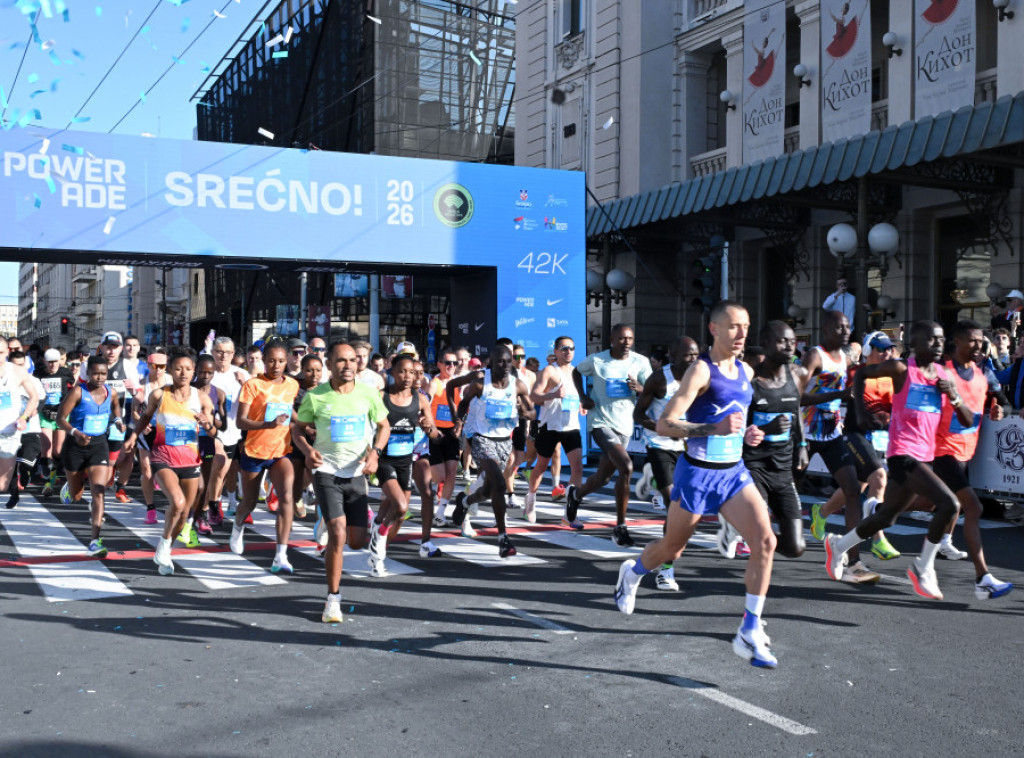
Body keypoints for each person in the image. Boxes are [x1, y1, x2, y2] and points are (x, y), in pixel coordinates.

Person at [613, 300, 778, 668]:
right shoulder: (700, 373)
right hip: (697, 472)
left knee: (766, 540)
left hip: (733, 472)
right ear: (715, 329)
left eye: (746, 326)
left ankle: (749, 629)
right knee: (672, 548)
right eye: (733, 326)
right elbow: (666, 424)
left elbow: (737, 421)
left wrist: (748, 433)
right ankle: (634, 571)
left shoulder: (746, 372)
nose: (742, 334)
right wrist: (712, 429)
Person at [824, 321, 975, 600]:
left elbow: (966, 419)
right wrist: (860, 413)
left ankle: (839, 545)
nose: (939, 344)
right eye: (931, 340)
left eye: (941, 339)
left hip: (925, 456)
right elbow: (860, 375)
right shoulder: (902, 370)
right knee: (950, 503)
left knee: (886, 517)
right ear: (915, 345)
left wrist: (953, 395)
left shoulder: (944, 375)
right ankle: (922, 569)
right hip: (902, 454)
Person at [293, 342, 389, 623]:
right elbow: (298, 431)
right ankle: (333, 601)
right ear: (330, 365)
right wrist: (308, 451)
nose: (348, 366)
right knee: (338, 534)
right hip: (326, 471)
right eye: (341, 361)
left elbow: (384, 426)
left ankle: (328, 521)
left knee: (357, 542)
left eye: (352, 360)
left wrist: (375, 453)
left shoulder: (369, 394)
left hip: (357, 472)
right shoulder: (316, 396)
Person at [929, 320, 1012, 599]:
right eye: (972, 340)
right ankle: (983, 578)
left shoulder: (984, 374)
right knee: (972, 507)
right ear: (956, 342)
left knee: (931, 502)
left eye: (981, 340)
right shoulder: (941, 372)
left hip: (967, 449)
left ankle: (872, 518)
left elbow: (1002, 401)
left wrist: (998, 409)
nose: (978, 345)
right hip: (940, 449)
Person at [800, 311, 879, 583]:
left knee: (853, 491)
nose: (845, 331)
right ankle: (744, 531)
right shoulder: (814, 356)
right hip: (805, 434)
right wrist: (838, 394)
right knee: (782, 490)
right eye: (839, 327)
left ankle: (853, 560)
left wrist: (869, 416)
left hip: (832, 433)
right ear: (825, 328)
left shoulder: (845, 359)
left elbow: (850, 396)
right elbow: (798, 397)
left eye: (848, 326)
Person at [808, 331, 900, 563]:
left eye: (889, 348)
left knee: (858, 486)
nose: (887, 353)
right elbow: (825, 388)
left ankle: (822, 512)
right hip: (852, 434)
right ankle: (878, 538)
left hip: (877, 438)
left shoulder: (892, 376)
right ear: (868, 353)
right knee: (879, 478)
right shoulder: (852, 373)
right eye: (881, 349)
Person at [125, 349, 216, 575]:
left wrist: (206, 424)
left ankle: (164, 546)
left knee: (185, 513)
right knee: (176, 502)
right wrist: (134, 436)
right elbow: (145, 418)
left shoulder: (201, 398)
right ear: (171, 371)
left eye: (188, 369)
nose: (183, 373)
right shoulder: (159, 395)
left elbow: (214, 431)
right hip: (162, 457)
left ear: (193, 371)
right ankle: (165, 546)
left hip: (190, 460)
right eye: (178, 368)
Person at [569, 324, 652, 546]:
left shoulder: (640, 362)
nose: (626, 342)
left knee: (602, 478)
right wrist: (583, 397)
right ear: (612, 339)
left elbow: (653, 388)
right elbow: (576, 371)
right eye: (622, 338)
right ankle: (620, 527)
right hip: (600, 422)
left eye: (630, 338)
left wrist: (641, 389)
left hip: (624, 425)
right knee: (626, 466)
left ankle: (575, 496)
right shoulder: (597, 360)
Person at [450, 344, 534, 557]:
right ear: (491, 363)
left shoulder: (518, 386)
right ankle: (503, 538)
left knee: (489, 490)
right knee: (498, 483)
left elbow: (532, 411)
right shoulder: (480, 384)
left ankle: (465, 501)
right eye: (500, 361)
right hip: (482, 440)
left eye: (508, 361)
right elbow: (463, 403)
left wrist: (526, 411)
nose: (505, 365)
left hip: (505, 441)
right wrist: (459, 420)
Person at [632, 335, 699, 591]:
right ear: (673, 357)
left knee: (687, 509)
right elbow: (638, 414)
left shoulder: (700, 378)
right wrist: (661, 428)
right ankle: (666, 571)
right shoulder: (660, 379)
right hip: (660, 445)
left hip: (688, 448)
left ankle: (652, 477)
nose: (693, 360)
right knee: (675, 504)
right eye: (687, 356)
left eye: (696, 355)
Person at [229, 341, 300, 573]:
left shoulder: (292, 384)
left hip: (281, 451)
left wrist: (305, 425)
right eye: (271, 360)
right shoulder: (253, 384)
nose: (276, 365)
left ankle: (281, 554)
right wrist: (268, 424)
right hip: (254, 451)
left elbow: (290, 411)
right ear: (263, 360)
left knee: (286, 498)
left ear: (287, 361)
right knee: (249, 502)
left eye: (281, 361)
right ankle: (238, 525)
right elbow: (241, 421)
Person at [367, 354, 441, 575]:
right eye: (402, 371)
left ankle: (378, 544)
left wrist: (429, 427)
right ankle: (378, 548)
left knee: (398, 514)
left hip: (406, 461)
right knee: (400, 506)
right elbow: (367, 425)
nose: (407, 376)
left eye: (412, 372)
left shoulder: (421, 399)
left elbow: (435, 434)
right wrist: (369, 453)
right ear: (392, 372)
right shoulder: (382, 396)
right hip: (384, 460)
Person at [743, 322, 811, 561]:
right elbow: (735, 425)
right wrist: (764, 428)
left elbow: (796, 412)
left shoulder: (798, 374)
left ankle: (745, 535)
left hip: (782, 470)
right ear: (765, 344)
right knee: (763, 536)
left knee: (795, 548)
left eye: (792, 341)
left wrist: (802, 445)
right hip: (753, 467)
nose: (790, 345)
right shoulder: (749, 379)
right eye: (782, 341)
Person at [57, 355, 119, 556]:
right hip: (75, 445)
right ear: (88, 374)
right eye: (95, 373)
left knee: (99, 492)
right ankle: (71, 485)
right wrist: (76, 432)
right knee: (76, 496)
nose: (99, 377)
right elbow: (60, 419)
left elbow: (116, 407)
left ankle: (95, 541)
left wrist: (118, 420)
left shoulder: (111, 392)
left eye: (103, 373)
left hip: (99, 444)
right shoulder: (78, 392)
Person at [526, 335, 586, 525]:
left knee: (578, 468)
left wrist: (581, 405)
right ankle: (531, 499)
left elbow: (577, 395)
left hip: (571, 426)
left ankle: (570, 513)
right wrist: (552, 394)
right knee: (541, 466)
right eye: (564, 348)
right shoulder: (549, 372)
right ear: (556, 351)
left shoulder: (577, 372)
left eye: (571, 348)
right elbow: (533, 396)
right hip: (550, 426)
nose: (568, 351)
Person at [207, 337, 250, 523]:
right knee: (216, 469)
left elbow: (255, 403)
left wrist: (244, 386)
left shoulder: (241, 374)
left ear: (233, 354)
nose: (223, 356)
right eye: (219, 351)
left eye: (228, 352)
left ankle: (213, 503)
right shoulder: (206, 373)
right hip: (208, 432)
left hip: (232, 432)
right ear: (212, 352)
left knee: (222, 472)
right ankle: (213, 506)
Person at [191, 354, 226, 537]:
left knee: (204, 483)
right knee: (192, 484)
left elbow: (224, 425)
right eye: (202, 372)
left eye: (209, 373)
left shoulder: (218, 393)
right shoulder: (187, 389)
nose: (205, 376)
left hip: (207, 440)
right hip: (187, 440)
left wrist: (210, 421)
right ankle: (187, 515)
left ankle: (201, 516)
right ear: (196, 371)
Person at [427, 350, 462, 526]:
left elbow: (461, 407)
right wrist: (431, 428)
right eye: (448, 363)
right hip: (435, 432)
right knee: (439, 476)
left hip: (451, 432)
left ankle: (441, 512)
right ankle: (422, 476)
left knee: (451, 474)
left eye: (455, 363)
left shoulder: (457, 384)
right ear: (439, 364)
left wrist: (459, 425)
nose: (451, 366)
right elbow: (424, 406)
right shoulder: (435, 383)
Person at [35, 347, 75, 498]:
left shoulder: (66, 373)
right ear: (44, 361)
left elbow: (72, 392)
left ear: (60, 361)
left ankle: (52, 476)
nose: (52, 365)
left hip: (61, 415)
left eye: (55, 362)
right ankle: (47, 482)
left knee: (58, 451)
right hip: (44, 414)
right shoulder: (38, 374)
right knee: (47, 449)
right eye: (49, 362)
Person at [135, 351, 169, 524]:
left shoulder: (172, 382)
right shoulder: (142, 384)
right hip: (147, 431)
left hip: (167, 432)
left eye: (162, 366)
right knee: (146, 470)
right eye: (155, 366)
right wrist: (143, 422)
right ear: (148, 366)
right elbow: (134, 411)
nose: (158, 370)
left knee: (169, 471)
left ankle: (174, 504)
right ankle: (150, 508)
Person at [9, 350, 44, 505]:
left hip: (30, 429)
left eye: (22, 365)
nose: (20, 369)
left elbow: (41, 398)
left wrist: (36, 409)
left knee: (24, 463)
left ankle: (25, 475)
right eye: (16, 366)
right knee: (10, 469)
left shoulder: (33, 381)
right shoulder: (4, 380)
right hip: (9, 431)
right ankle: (14, 495)